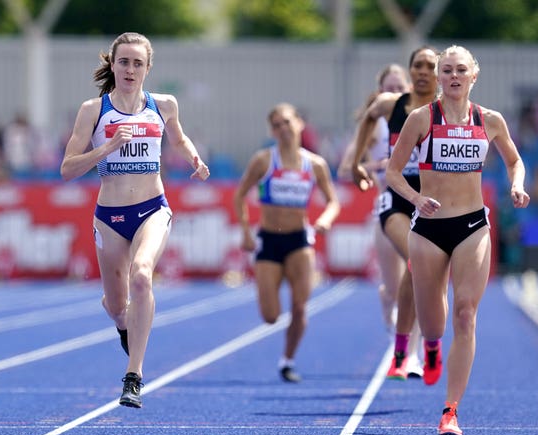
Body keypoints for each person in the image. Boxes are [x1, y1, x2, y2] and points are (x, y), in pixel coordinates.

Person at [60, 32, 210, 408]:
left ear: (148, 68)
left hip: (152, 209)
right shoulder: (93, 111)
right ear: (113, 65)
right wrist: (108, 147)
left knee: (142, 275)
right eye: (123, 62)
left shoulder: (164, 105)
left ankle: (134, 375)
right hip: (109, 218)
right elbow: (66, 169)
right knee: (115, 305)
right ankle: (123, 323)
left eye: (137, 63)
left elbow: (179, 139)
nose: (130, 69)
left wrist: (195, 159)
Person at [385, 45, 529, 435]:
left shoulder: (490, 120)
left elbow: (514, 160)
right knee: (434, 323)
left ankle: (451, 410)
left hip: (472, 226)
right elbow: (394, 173)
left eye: (459, 70)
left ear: (473, 76)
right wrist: (415, 199)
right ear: (438, 76)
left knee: (466, 313)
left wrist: (516, 184)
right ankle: (430, 347)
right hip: (429, 229)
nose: (452, 76)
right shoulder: (421, 118)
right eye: (445, 69)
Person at [233, 102, 340, 383]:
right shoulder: (264, 160)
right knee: (270, 316)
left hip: (299, 241)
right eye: (277, 125)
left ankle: (287, 360)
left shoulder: (315, 164)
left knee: (301, 306)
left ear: (300, 124)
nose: (283, 129)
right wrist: (245, 231)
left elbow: (333, 201)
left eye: (287, 122)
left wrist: (326, 219)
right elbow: (239, 195)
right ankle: (283, 347)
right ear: (272, 130)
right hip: (269, 240)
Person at [352, 46, 439, 380]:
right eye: (417, 65)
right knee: (417, 262)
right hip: (397, 198)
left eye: (430, 66)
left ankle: (420, 347)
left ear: (438, 73)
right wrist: (359, 161)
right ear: (410, 70)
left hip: (431, 200)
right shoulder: (393, 104)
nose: (422, 71)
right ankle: (408, 354)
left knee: (423, 276)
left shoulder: (444, 110)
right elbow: (369, 116)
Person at [338, 64, 416, 347]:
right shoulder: (375, 125)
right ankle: (388, 297)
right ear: (381, 92)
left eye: (400, 87)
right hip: (387, 206)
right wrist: (377, 166)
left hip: (419, 207)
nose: (395, 92)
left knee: (420, 278)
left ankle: (413, 351)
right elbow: (346, 169)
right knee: (396, 287)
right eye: (390, 88)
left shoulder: (419, 118)